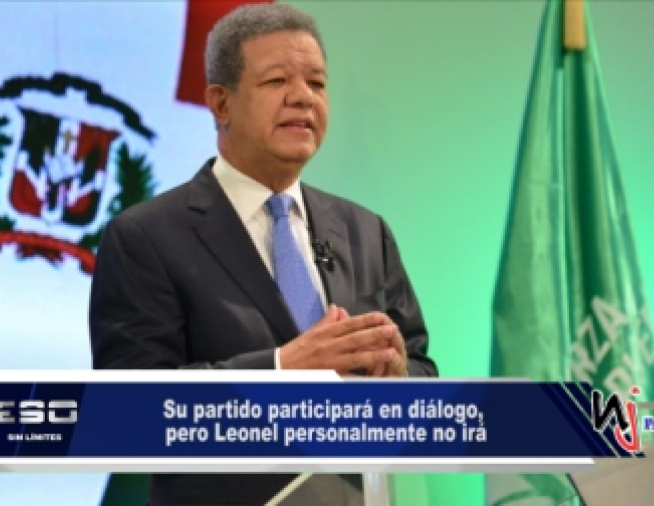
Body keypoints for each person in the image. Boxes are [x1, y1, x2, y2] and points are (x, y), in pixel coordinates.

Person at [89, 4, 438, 504]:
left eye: (317, 83)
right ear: (221, 103)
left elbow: (423, 373)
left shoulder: (365, 232)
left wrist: (399, 378)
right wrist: (281, 369)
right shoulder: (146, 236)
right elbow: (131, 413)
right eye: (277, 81)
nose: (303, 97)